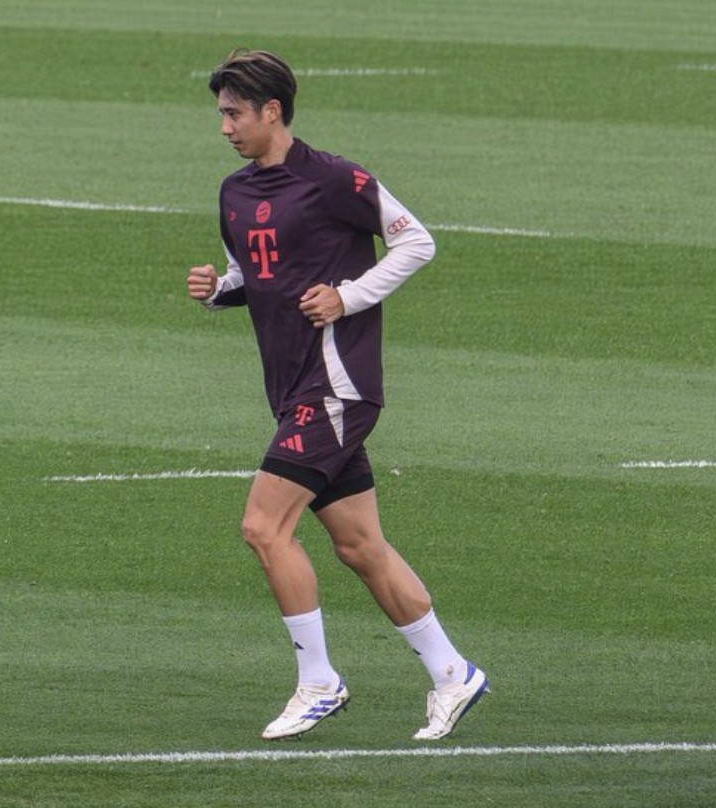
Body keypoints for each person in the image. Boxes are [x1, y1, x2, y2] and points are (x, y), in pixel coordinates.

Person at [186, 49, 488, 742]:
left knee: (264, 528)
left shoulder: (332, 179)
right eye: (221, 114)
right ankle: (453, 673)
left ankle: (319, 681)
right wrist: (217, 290)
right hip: (293, 388)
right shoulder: (234, 193)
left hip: (335, 389)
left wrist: (349, 296)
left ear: (272, 111)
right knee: (360, 546)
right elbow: (256, 274)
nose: (225, 127)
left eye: (234, 113)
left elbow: (416, 243)